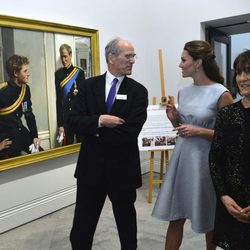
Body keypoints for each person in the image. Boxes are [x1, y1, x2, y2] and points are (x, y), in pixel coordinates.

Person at [152, 40, 233, 250]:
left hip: (206, 163)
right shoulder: (184, 92)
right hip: (182, 159)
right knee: (175, 215)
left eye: (183, 60)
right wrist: (173, 118)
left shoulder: (222, 94)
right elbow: (183, 128)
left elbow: (231, 137)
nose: (180, 65)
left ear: (197, 63)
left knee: (209, 217)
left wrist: (200, 131)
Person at [68, 37, 148, 250]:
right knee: (82, 228)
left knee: (127, 228)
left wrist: (93, 132)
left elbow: (130, 131)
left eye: (133, 56)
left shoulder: (138, 92)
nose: (133, 61)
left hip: (122, 170)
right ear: (111, 57)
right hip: (90, 169)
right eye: (128, 56)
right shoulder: (87, 86)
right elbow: (73, 122)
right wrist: (101, 121)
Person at [209, 50, 250, 249]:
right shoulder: (227, 114)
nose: (242, 78)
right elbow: (215, 160)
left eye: (248, 72)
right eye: (239, 72)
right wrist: (224, 197)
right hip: (232, 204)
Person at [0, 54, 40, 159]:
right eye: (25, 71)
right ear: (15, 73)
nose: (28, 74)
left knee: (40, 155)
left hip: (21, 133)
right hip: (6, 139)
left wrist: (35, 136)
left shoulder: (25, 89)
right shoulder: (2, 92)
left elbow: (29, 114)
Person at [55, 43, 85, 145]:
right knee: (67, 147)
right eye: (62, 57)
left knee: (82, 145)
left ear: (70, 55)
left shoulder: (79, 73)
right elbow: (58, 100)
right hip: (66, 118)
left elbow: (83, 98)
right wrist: (60, 124)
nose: (64, 60)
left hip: (79, 115)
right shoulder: (58, 74)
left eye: (65, 56)